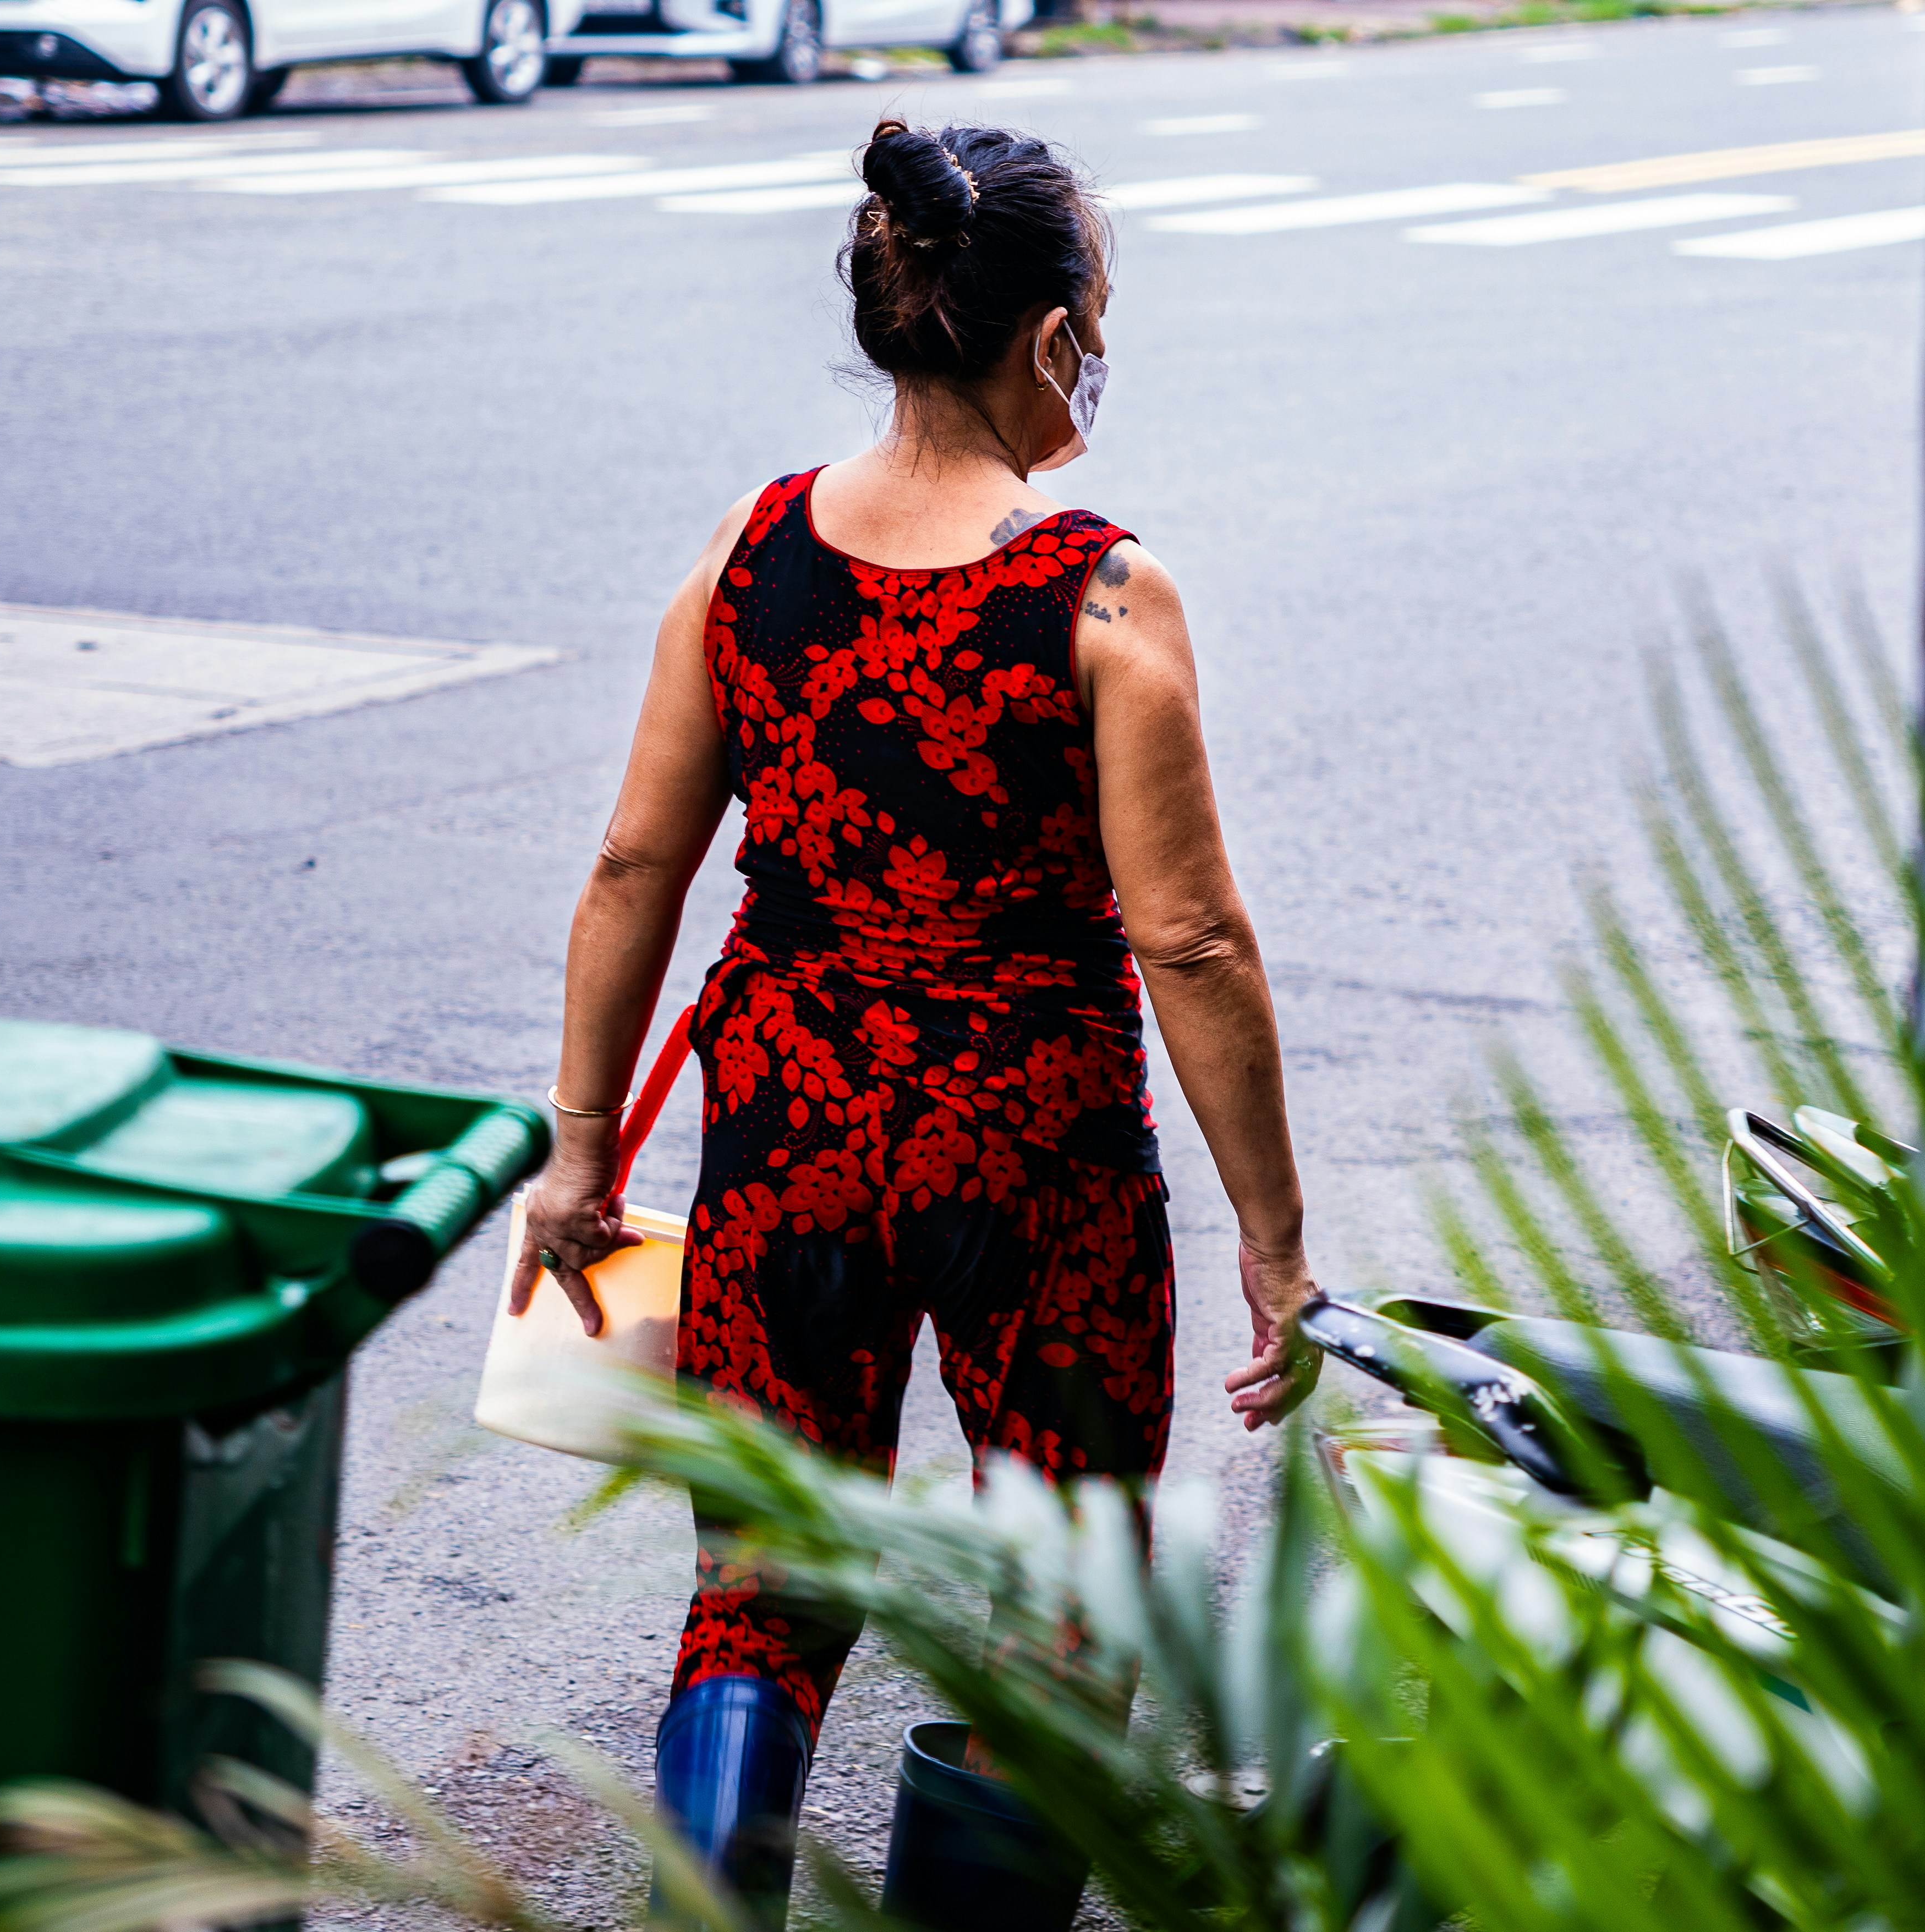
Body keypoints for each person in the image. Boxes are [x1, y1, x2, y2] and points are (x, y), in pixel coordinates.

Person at [513, 114, 1320, 1929]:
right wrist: (1274, 1239)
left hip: (796, 1119)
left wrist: (580, 1153)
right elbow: (1190, 942)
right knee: (1060, 1588)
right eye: (1094, 317)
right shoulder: (1105, 592)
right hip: (1035, 1145)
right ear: (1046, 340)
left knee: (760, 1587)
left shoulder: (755, 553)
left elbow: (636, 863)